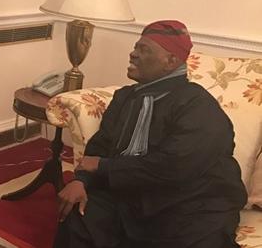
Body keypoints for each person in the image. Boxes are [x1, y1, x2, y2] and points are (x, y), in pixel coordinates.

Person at [54, 20, 246, 248]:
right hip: (131, 193)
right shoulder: (125, 97)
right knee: (81, 218)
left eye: (144, 50)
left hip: (191, 201)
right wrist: (81, 180)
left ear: (171, 61)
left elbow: (177, 166)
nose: (133, 54)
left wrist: (105, 167)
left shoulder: (198, 104)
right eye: (135, 47)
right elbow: (101, 146)